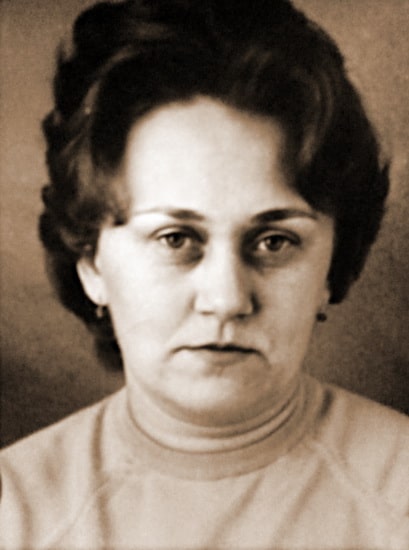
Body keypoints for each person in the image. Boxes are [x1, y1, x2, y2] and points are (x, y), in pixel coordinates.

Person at [1, 0, 408, 548]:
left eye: (274, 241)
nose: (226, 298)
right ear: (92, 262)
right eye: (176, 239)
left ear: (331, 269)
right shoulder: (13, 513)